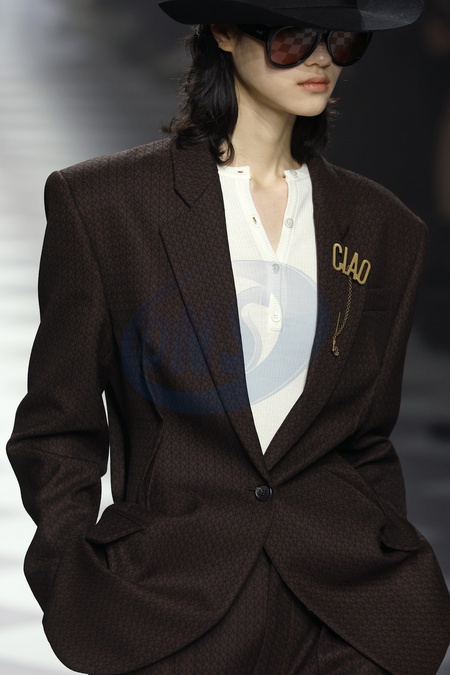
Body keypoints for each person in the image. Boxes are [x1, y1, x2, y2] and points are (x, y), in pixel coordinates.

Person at [6, 1, 450, 673]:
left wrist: (388, 557)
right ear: (222, 30)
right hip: (168, 605)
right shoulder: (105, 206)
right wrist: (73, 575)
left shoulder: (384, 228)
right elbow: (56, 428)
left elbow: (367, 438)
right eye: (293, 36)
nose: (322, 58)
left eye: (342, 41)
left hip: (344, 613)